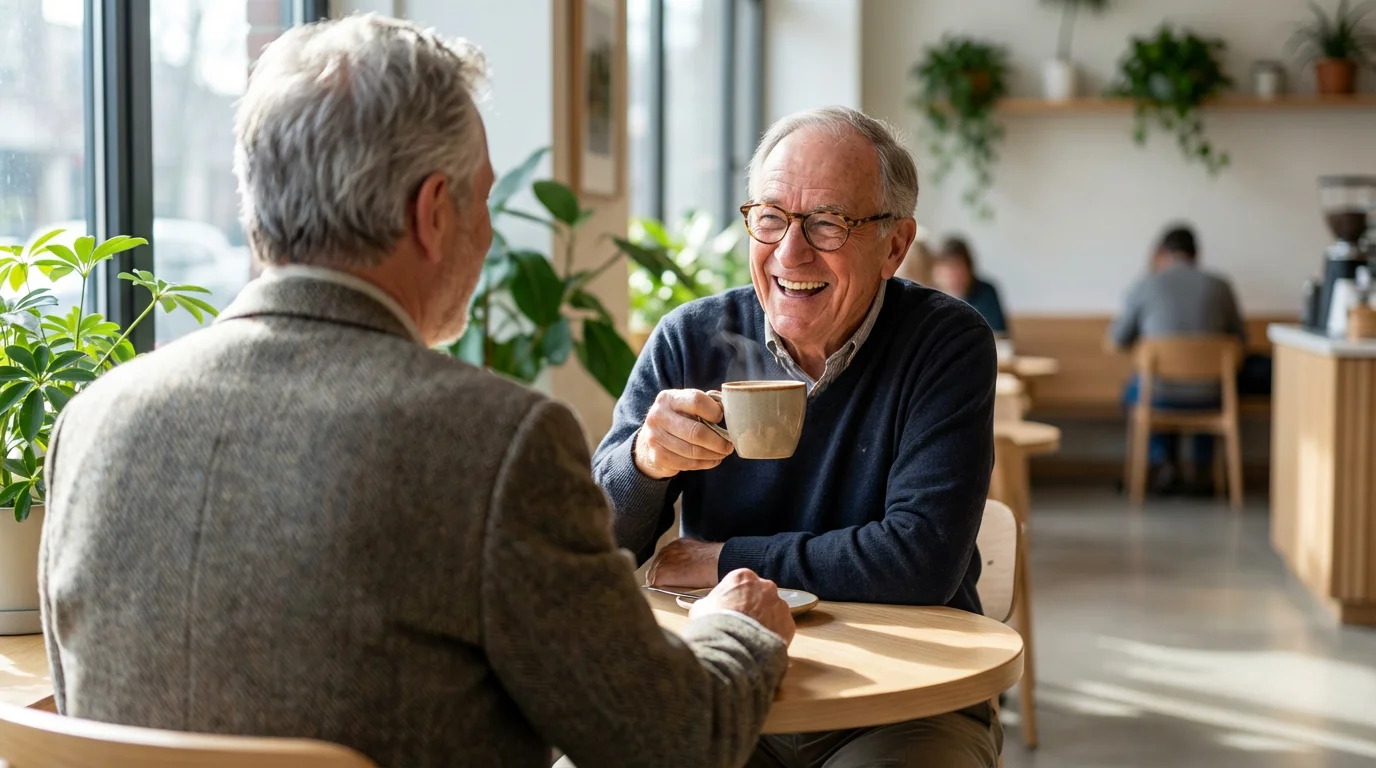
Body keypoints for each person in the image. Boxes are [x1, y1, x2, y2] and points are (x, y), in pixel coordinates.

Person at [38, 15, 794, 768]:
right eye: (485, 200)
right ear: (434, 213)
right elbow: (670, 742)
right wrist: (739, 629)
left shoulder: (91, 421)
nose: (492, 234)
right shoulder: (495, 441)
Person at [593, 106, 1002, 767]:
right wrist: (643, 461)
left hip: (901, 702)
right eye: (772, 217)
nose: (790, 251)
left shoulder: (945, 344)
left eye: (828, 223)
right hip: (723, 685)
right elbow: (590, 540)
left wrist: (725, 558)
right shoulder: (690, 339)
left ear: (894, 245)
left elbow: (921, 559)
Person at [1109, 224, 1246, 494]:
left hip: (1159, 392)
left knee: (1135, 391)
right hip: (1212, 393)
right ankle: (1201, 468)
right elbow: (1240, 339)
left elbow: (1117, 339)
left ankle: (1162, 464)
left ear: (1161, 253)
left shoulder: (1146, 284)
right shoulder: (1221, 286)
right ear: (1197, 254)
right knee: (1204, 387)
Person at [930, 236, 1009, 336]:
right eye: (947, 271)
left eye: (957, 268)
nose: (952, 277)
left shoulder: (986, 292)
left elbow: (998, 333)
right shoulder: (930, 297)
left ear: (969, 269)